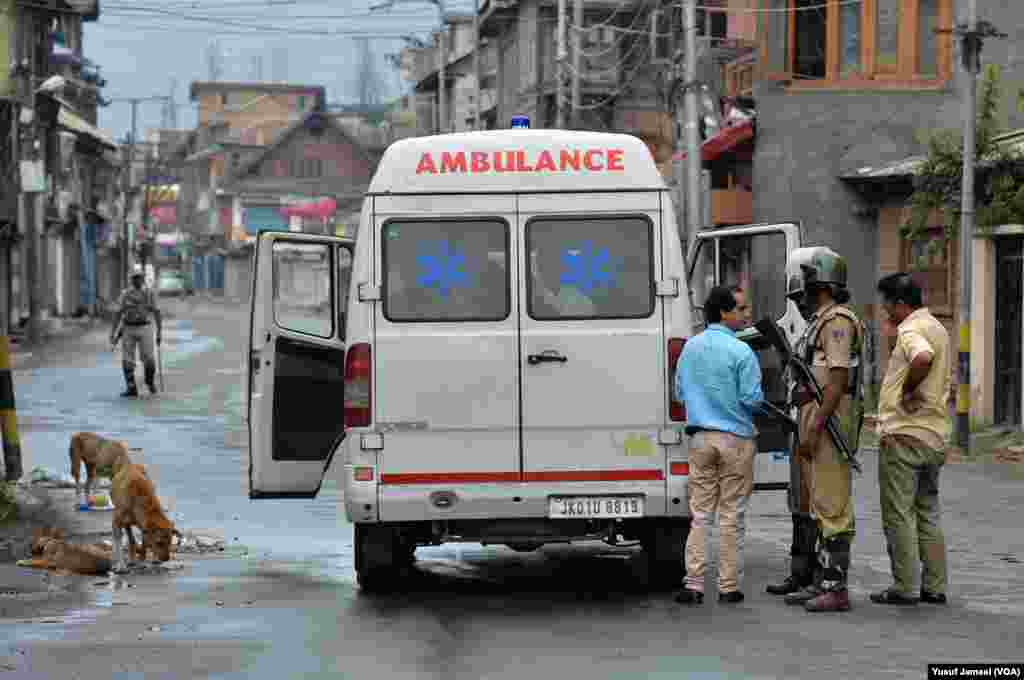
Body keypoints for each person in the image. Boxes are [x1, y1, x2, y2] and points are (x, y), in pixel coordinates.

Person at [776, 247, 865, 613]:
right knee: (817, 506)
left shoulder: (838, 321)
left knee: (832, 506)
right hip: (813, 419)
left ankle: (835, 587)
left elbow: (838, 380)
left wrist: (816, 426)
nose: (802, 299)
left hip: (828, 424)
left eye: (806, 289)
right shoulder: (820, 322)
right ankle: (819, 582)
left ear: (821, 283)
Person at [674, 285, 761, 605]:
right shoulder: (742, 352)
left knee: (700, 515)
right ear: (724, 313)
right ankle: (727, 587)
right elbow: (751, 399)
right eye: (741, 309)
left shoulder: (690, 348)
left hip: (700, 439)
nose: (747, 314)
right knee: (731, 515)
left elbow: (680, 393)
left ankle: (694, 584)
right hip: (735, 440)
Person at [871, 273, 950, 606]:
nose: (885, 311)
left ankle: (904, 587)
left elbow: (922, 358)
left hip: (903, 434)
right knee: (927, 510)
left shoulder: (911, 329)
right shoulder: (938, 327)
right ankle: (935, 586)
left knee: (898, 513)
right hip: (934, 436)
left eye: (887, 304)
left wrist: (906, 388)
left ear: (900, 303)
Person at [111, 264, 162, 397]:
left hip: (145, 327)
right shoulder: (125, 294)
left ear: (143, 279)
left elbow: (157, 312)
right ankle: (131, 387)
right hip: (128, 328)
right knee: (127, 360)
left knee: (149, 359)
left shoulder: (149, 294)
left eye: (139, 278)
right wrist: (113, 333)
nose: (137, 280)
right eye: (134, 278)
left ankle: (149, 381)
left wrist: (159, 332)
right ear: (131, 279)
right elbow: (118, 313)